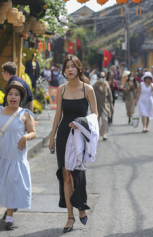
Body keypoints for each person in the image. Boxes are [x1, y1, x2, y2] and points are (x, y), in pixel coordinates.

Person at [48, 55, 98, 233]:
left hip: (79, 136)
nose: (69, 69)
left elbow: (95, 116)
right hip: (63, 135)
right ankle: (70, 216)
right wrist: (52, 137)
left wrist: (80, 122)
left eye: (73, 66)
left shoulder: (88, 89)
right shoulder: (61, 89)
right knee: (66, 175)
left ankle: (81, 206)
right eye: (67, 67)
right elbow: (58, 115)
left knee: (77, 174)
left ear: (79, 68)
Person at [0, 81, 37, 231]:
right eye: (10, 94)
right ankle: (10, 210)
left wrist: (26, 137)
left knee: (14, 185)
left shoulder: (25, 114)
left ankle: (9, 218)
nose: (13, 97)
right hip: (0, 156)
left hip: (16, 157)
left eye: (17, 94)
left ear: (21, 98)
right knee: (7, 186)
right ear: (6, 96)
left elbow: (33, 132)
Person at [93, 71, 113, 141]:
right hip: (97, 106)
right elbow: (92, 97)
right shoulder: (95, 86)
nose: (102, 78)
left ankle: (104, 134)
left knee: (105, 119)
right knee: (96, 121)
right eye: (100, 77)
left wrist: (111, 107)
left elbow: (110, 97)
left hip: (105, 105)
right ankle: (96, 134)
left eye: (103, 77)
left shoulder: (107, 85)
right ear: (98, 77)